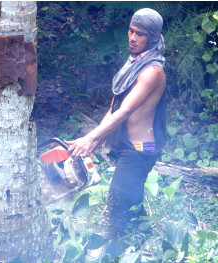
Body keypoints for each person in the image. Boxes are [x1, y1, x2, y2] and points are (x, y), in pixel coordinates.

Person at [68, 8, 168, 243]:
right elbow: (114, 108)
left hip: (140, 151)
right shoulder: (133, 64)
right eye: (131, 31)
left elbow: (125, 111)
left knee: (114, 212)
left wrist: (91, 137)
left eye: (140, 34)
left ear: (152, 37)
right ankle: (149, 247)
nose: (132, 38)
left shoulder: (153, 71)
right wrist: (94, 139)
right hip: (128, 148)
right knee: (132, 208)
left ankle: (114, 252)